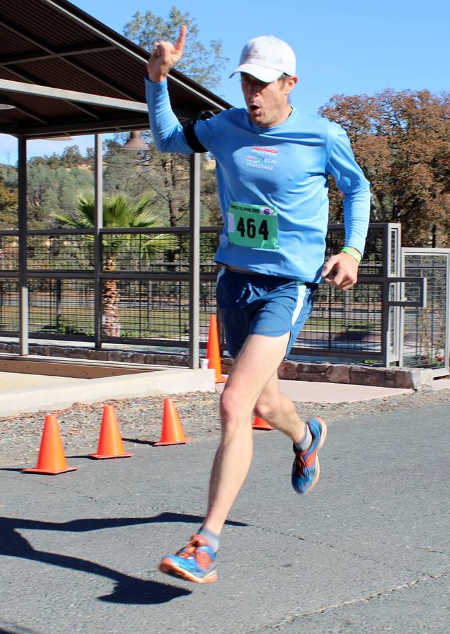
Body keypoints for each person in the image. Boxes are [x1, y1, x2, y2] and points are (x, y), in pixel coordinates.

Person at [146, 27, 370, 584]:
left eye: (264, 84)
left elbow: (357, 188)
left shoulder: (322, 135)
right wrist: (157, 80)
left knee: (234, 403)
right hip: (235, 283)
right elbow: (169, 140)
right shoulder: (224, 127)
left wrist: (351, 250)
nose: (253, 93)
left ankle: (206, 542)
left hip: (286, 287)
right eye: (246, 81)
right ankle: (307, 437)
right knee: (266, 402)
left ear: (290, 84)